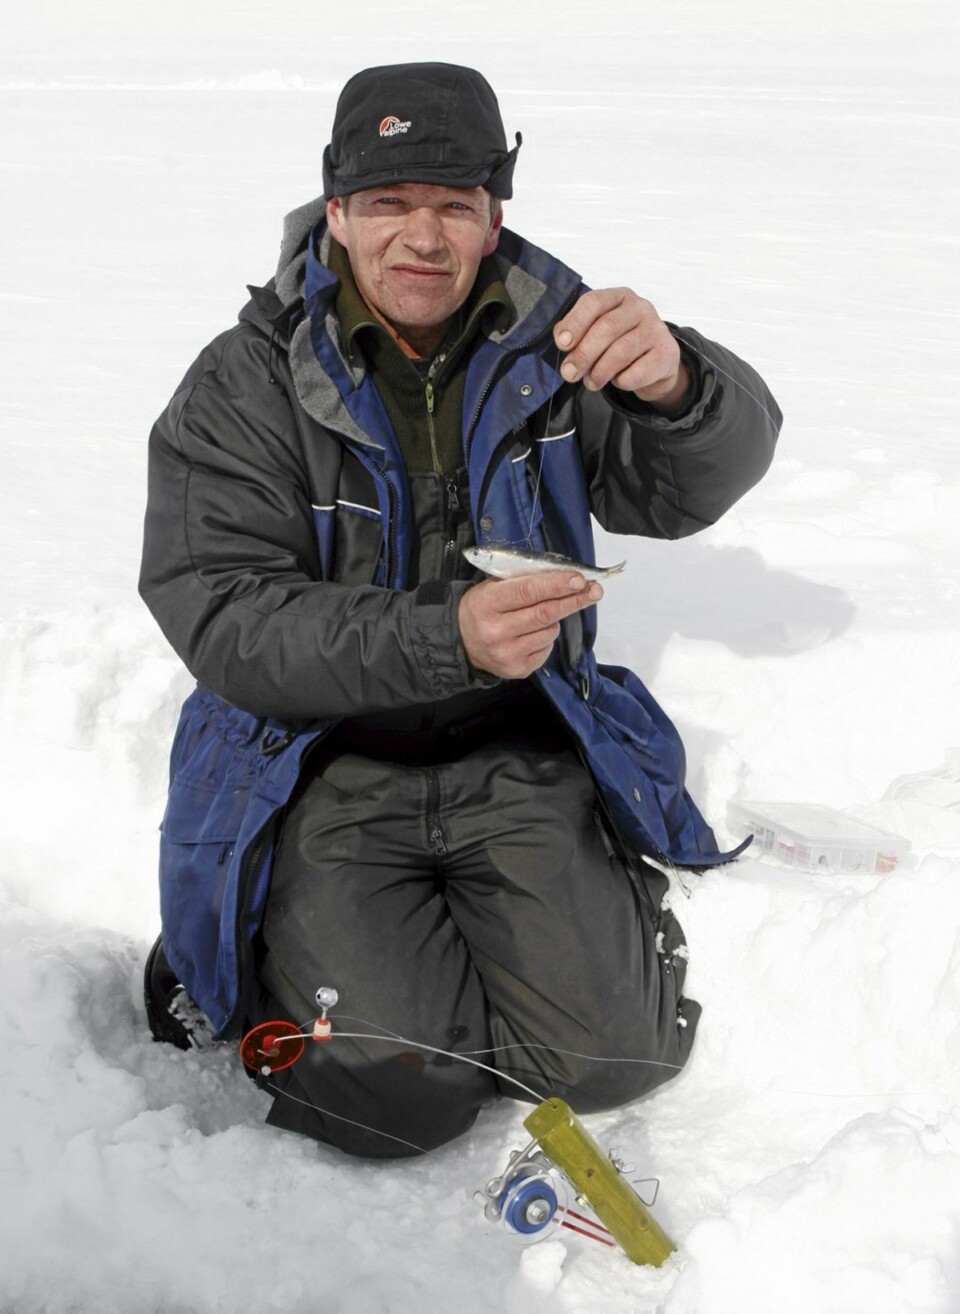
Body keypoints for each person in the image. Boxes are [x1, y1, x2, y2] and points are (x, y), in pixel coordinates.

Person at [140, 62, 781, 1157]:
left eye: (454, 204)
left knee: (614, 1062)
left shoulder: (564, 345)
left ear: (495, 216)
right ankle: (241, 948)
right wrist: (446, 636)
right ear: (337, 213)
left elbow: (685, 489)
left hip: (516, 746)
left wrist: (681, 387)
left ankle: (473, 950)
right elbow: (224, 613)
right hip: (321, 760)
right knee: (389, 1099)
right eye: (388, 204)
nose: (420, 238)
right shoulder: (243, 382)